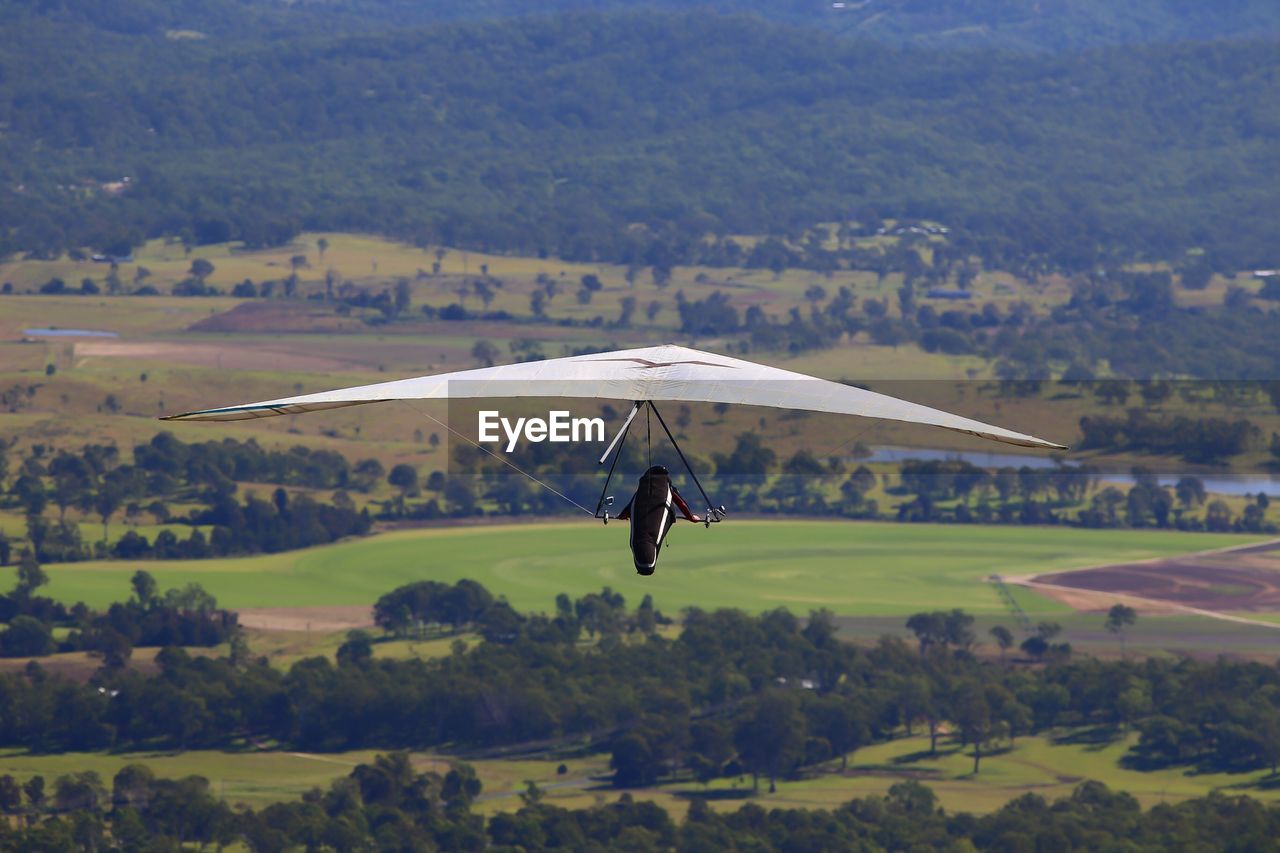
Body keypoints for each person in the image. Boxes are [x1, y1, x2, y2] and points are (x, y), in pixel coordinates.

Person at [616, 465, 701, 575]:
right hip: (658, 523)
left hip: (639, 537)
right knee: (651, 540)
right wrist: (691, 517)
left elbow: (633, 503)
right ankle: (648, 564)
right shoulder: (666, 485)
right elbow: (681, 503)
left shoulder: (642, 487)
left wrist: (622, 515)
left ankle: (645, 564)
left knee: (644, 541)